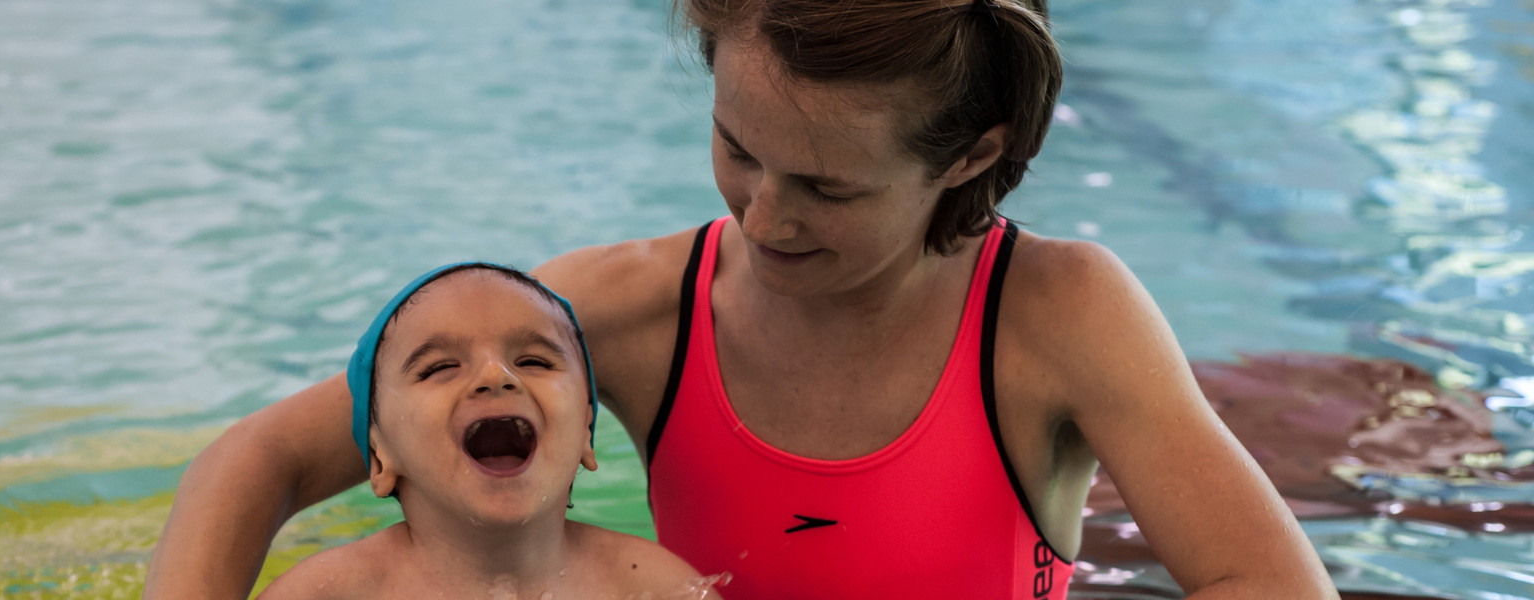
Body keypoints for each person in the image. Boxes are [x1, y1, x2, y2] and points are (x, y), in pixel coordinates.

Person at [147, 0, 1339, 598]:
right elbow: (259, 458)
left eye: (826, 187)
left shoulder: (1055, 314)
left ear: (970, 157)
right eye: (736, 149)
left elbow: (1270, 586)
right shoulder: (625, 310)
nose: (764, 219)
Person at [256, 263, 718, 599]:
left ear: (585, 433)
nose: (496, 376)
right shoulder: (329, 594)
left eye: (534, 361)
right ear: (379, 459)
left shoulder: (654, 588)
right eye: (439, 367)